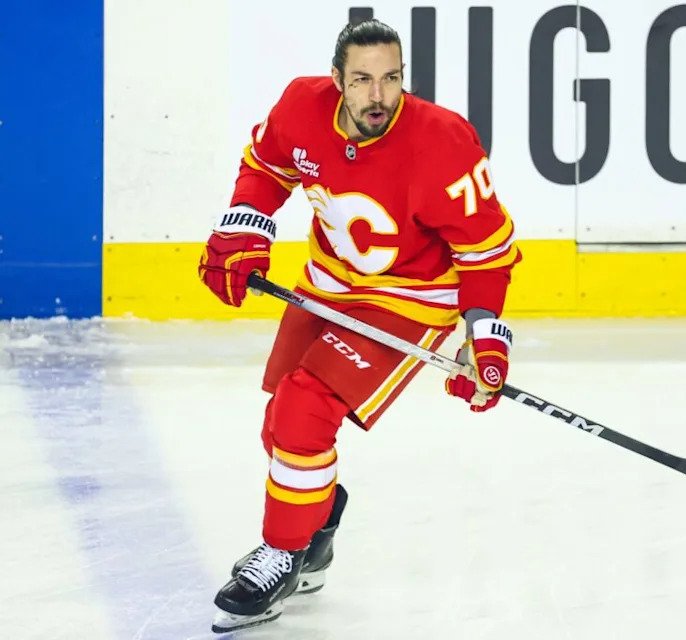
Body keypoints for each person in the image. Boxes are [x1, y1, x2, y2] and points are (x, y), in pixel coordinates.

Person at [197, 18, 522, 633]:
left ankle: (283, 554)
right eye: (363, 80)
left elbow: (486, 253)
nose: (379, 96)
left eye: (392, 79)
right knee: (282, 424)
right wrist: (243, 226)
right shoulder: (301, 106)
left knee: (304, 409)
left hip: (407, 301)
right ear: (336, 80)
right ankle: (315, 532)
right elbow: (266, 167)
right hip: (328, 283)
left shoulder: (444, 141)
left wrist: (483, 337)